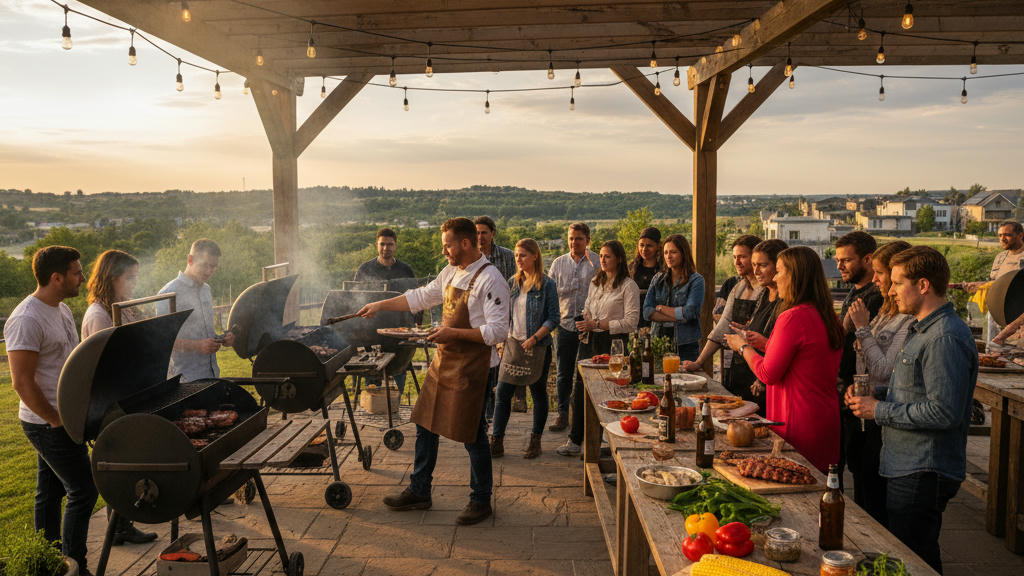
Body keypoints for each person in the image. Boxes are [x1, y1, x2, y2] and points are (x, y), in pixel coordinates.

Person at [356, 217, 508, 525]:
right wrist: (381, 304)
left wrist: (452, 334)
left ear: (466, 243)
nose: (444, 252)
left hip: (475, 368)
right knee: (425, 423)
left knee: (472, 434)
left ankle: (481, 500)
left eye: (448, 245)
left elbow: (498, 331)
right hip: (445, 361)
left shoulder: (491, 279)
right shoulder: (451, 271)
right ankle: (419, 490)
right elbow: (422, 296)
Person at [848, 246, 978, 574]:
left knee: (915, 558)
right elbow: (912, 391)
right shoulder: (920, 328)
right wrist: (877, 393)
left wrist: (878, 410)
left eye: (897, 283)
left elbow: (943, 412)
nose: (889, 291)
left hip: (924, 468)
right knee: (905, 552)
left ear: (923, 285)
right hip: (905, 462)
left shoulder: (943, 337)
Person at [6, 246, 97, 573]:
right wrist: (55, 419)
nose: (82, 278)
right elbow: (22, 382)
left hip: (64, 416)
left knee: (50, 492)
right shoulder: (26, 319)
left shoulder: (58, 309)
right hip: (47, 422)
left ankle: (48, 561)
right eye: (76, 272)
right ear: (56, 278)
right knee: (84, 490)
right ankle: (77, 567)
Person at [726, 246, 843, 473]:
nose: (776, 278)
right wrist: (767, 344)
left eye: (779, 272)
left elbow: (768, 374)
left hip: (796, 421)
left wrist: (742, 347)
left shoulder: (791, 317)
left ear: (795, 277)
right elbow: (807, 361)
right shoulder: (829, 316)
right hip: (824, 419)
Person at [80, 249, 158, 546]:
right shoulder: (99, 315)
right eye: (130, 277)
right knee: (119, 467)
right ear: (112, 278)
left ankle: (122, 525)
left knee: (129, 462)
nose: (135, 283)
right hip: (109, 404)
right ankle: (119, 528)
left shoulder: (124, 307)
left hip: (129, 396)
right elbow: (107, 365)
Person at [844, 240, 914, 526]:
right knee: (860, 476)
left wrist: (861, 329)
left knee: (875, 492)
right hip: (866, 406)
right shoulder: (886, 309)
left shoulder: (907, 319)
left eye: (881, 275)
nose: (875, 280)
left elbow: (885, 369)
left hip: (882, 413)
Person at [557, 240, 640, 456]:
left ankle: (605, 443)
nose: (602, 260)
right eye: (601, 256)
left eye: (607, 256)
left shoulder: (628, 286)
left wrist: (599, 324)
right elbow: (587, 307)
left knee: (612, 392)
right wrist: (585, 320)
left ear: (619, 259)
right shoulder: (596, 281)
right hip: (589, 340)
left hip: (614, 344)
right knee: (580, 390)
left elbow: (631, 322)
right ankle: (575, 440)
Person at [490, 238, 559, 459]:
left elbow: (553, 318)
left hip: (537, 347)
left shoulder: (547, 284)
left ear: (534, 256)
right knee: (502, 393)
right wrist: (501, 340)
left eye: (523, 255)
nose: (518, 259)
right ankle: (497, 441)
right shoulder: (511, 283)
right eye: (517, 255)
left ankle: (535, 441)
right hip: (512, 345)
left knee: (538, 393)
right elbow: (504, 315)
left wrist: (535, 337)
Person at [683, 235, 762, 403]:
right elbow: (722, 328)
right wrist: (699, 362)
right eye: (734, 257)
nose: (737, 262)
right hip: (734, 365)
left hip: (757, 367)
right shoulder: (738, 287)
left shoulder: (765, 290)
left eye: (742, 257)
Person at [835, 231, 882, 491]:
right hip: (849, 389)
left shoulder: (875, 297)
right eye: (838, 260)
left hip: (865, 391)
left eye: (846, 260)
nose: (839, 266)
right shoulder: (855, 291)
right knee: (853, 461)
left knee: (865, 469)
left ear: (867, 259)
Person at [157, 239, 235, 381]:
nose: (209, 271)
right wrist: (198, 346)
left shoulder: (206, 289)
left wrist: (221, 339)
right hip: (184, 381)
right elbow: (163, 341)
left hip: (211, 375)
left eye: (213, 267)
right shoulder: (168, 294)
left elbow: (204, 333)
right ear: (190, 259)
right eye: (205, 265)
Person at [547, 222, 599, 432]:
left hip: (590, 326)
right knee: (563, 373)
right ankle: (562, 414)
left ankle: (587, 416)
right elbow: (550, 293)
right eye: (570, 238)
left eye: (578, 238)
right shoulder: (558, 264)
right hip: (565, 324)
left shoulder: (597, 261)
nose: (573, 242)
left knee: (588, 373)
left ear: (587, 240)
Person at [353, 228, 415, 395]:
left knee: (399, 367)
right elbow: (356, 299)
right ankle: (374, 403)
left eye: (390, 244)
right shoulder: (365, 270)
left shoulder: (406, 270)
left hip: (399, 329)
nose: (386, 248)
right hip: (371, 329)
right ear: (376, 245)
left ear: (395, 246)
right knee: (372, 369)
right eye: (382, 244)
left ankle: (397, 401)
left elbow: (413, 299)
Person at [732, 239, 789, 414]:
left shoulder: (787, 302)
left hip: (768, 383)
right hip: (751, 373)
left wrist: (762, 380)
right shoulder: (764, 293)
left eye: (762, 265)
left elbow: (783, 350)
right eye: (754, 265)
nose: (755, 271)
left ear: (780, 267)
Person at [474, 216, 519, 414]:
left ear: (493, 234)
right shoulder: (470, 258)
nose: (480, 237)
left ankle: (501, 409)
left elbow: (517, 288)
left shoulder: (508, 256)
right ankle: (485, 411)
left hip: (504, 320)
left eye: (484, 232)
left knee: (505, 369)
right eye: (476, 233)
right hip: (479, 324)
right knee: (484, 369)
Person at [642, 234, 704, 361]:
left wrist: (661, 308)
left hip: (685, 345)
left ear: (683, 253)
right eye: (665, 252)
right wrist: (677, 317)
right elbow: (646, 311)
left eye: (673, 252)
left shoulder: (696, 280)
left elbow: (690, 312)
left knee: (685, 380)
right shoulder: (658, 278)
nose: (668, 256)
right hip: (658, 342)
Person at [967, 221, 1024, 344]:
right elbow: (994, 283)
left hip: (1018, 321)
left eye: (1007, 235)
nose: (1002, 239)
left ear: (1020, 236)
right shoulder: (1000, 257)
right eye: (999, 235)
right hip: (996, 317)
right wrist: (979, 286)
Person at [630, 227, 662, 327]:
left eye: (649, 245)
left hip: (657, 319)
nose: (644, 249)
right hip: (635, 319)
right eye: (641, 245)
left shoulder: (664, 268)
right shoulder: (632, 267)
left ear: (658, 246)